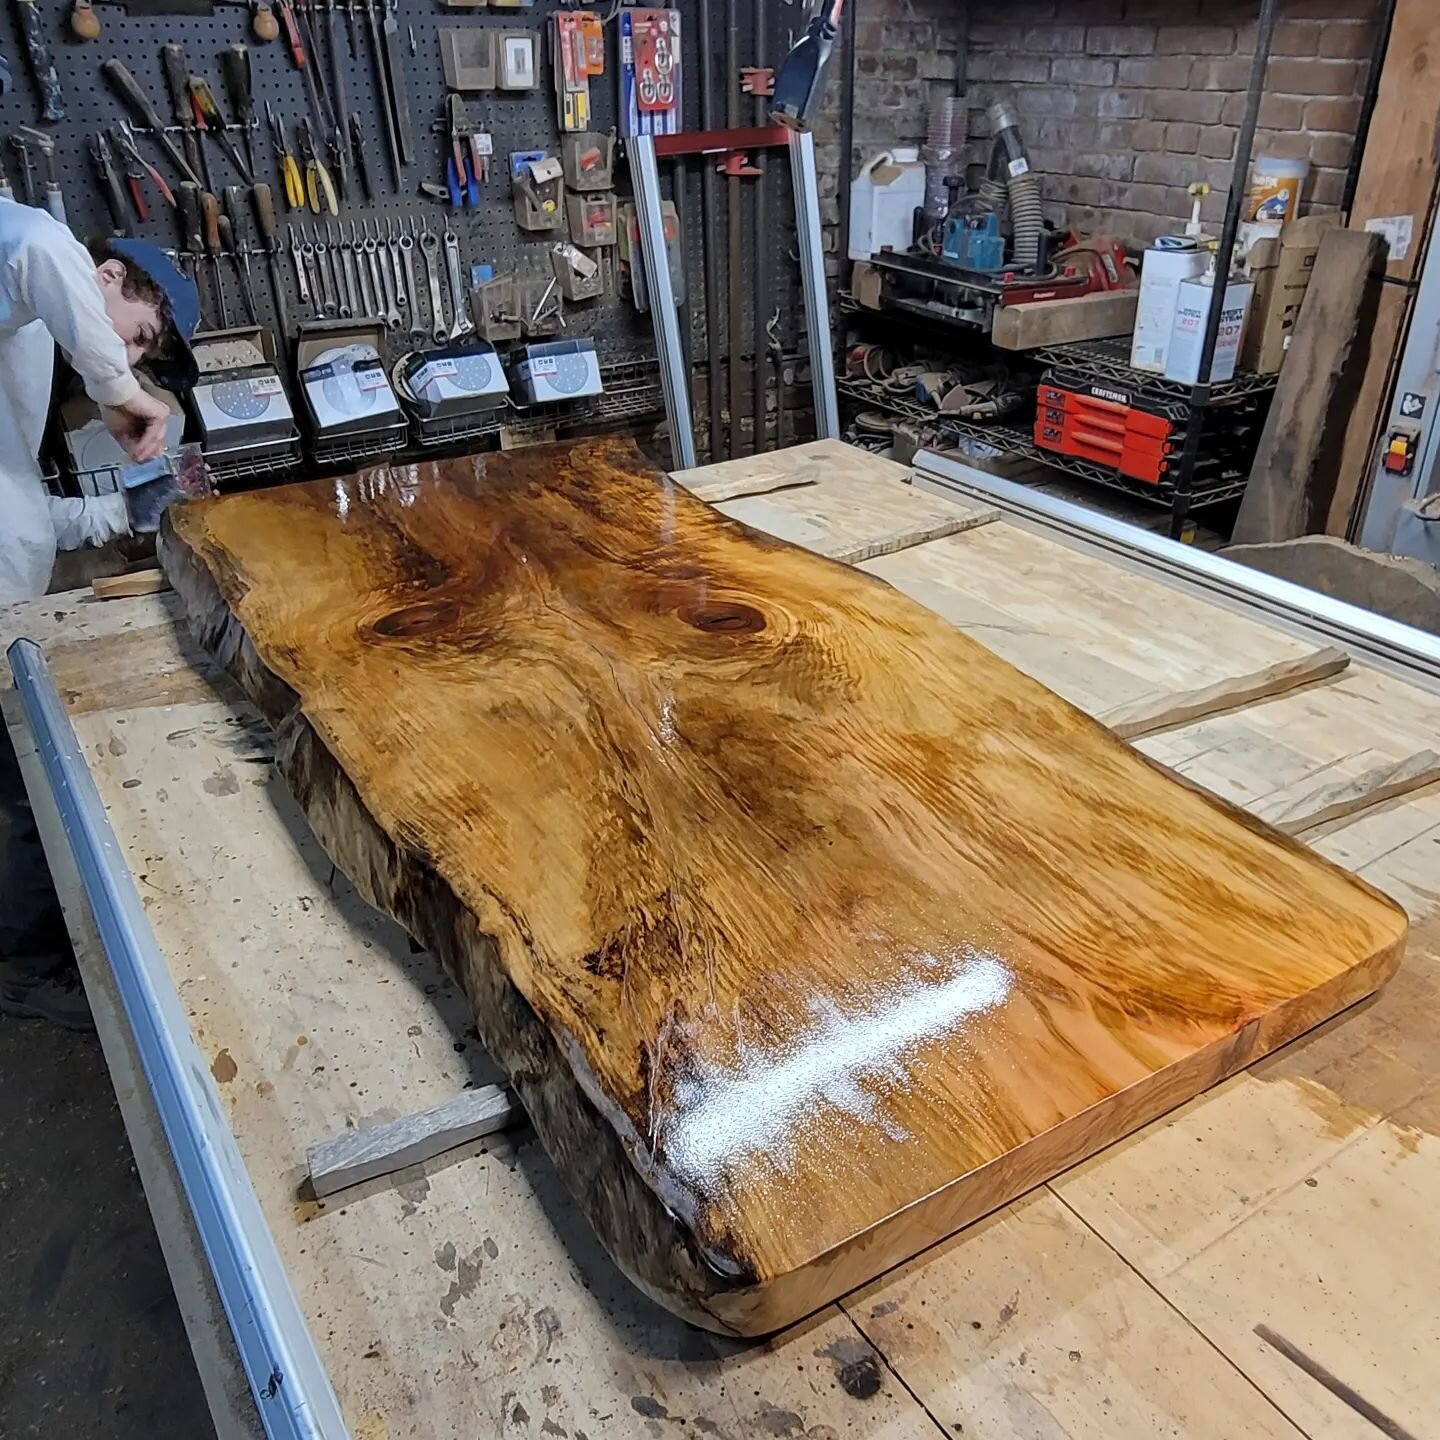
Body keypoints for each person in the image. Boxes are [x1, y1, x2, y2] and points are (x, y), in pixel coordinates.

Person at [0, 195, 199, 1027]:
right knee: (17, 794)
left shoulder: (28, 336)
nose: (132, 356)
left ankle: (33, 953)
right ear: (108, 274)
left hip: (14, 603)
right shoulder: (36, 256)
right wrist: (119, 388)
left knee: (23, 782)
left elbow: (22, 512)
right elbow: (38, 245)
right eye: (142, 335)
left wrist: (133, 511)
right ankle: (27, 966)